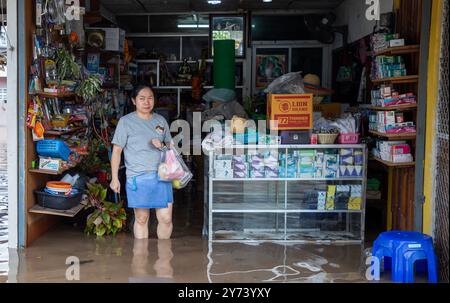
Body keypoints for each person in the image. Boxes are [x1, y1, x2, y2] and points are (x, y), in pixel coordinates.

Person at [110, 84, 174, 240]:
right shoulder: (126, 122)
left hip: (162, 175)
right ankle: (141, 259)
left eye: (150, 98)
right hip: (137, 177)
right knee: (141, 218)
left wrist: (162, 145)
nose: (147, 102)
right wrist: (114, 178)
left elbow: (171, 147)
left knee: (166, 218)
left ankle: (164, 261)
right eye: (142, 98)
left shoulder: (160, 120)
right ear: (134, 101)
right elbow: (117, 151)